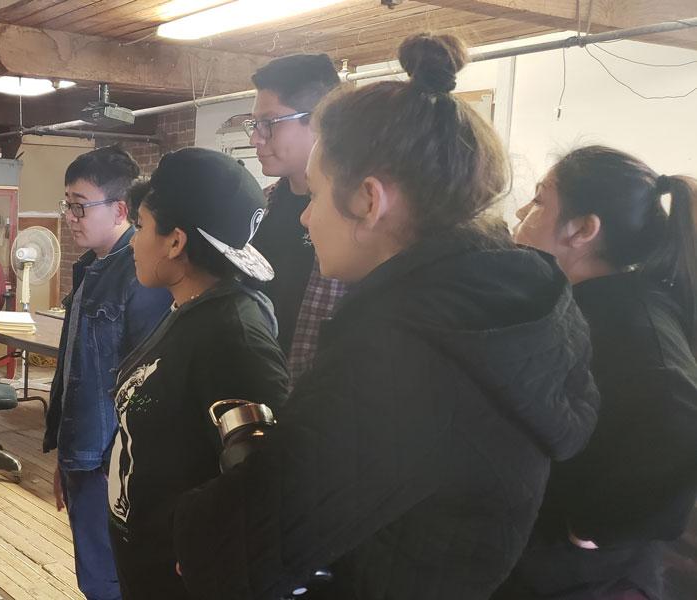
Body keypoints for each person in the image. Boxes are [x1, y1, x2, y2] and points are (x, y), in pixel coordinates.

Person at [171, 34, 600, 600]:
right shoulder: (515, 302)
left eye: (317, 194)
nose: (305, 219)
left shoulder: (405, 347)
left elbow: (230, 548)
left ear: (370, 201)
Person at [497, 147, 697, 600]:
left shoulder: (631, 322)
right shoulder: (585, 301)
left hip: (585, 577)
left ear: (584, 230)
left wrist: (594, 526)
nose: (522, 212)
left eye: (540, 201)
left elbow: (680, 421)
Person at [107, 147, 290, 599]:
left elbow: (265, 476)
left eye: (142, 227)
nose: (132, 240)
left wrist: (207, 555)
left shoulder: (233, 335)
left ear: (175, 241)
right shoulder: (189, 308)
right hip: (147, 564)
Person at [43, 146, 172, 600]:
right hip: (87, 454)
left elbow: (145, 385)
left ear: (120, 209)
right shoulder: (90, 268)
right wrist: (65, 453)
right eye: (67, 204)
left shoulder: (138, 276)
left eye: (80, 205)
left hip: (113, 462)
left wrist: (109, 464)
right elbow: (77, 371)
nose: (71, 216)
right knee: (94, 573)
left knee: (110, 580)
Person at [247, 53, 345, 380]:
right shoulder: (261, 206)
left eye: (269, 124)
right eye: (255, 124)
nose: (255, 138)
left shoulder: (352, 222)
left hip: (313, 404)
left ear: (319, 119)